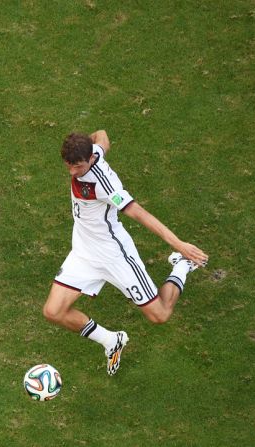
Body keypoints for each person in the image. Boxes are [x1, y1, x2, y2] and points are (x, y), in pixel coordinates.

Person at [43, 130, 209, 376]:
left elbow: (139, 213)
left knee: (160, 315)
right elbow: (102, 135)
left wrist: (179, 244)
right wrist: (92, 143)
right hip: (84, 253)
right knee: (53, 312)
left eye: (77, 167)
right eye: (68, 165)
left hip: (114, 256)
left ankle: (182, 265)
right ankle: (111, 341)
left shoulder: (106, 185)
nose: (72, 172)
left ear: (89, 159)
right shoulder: (92, 151)